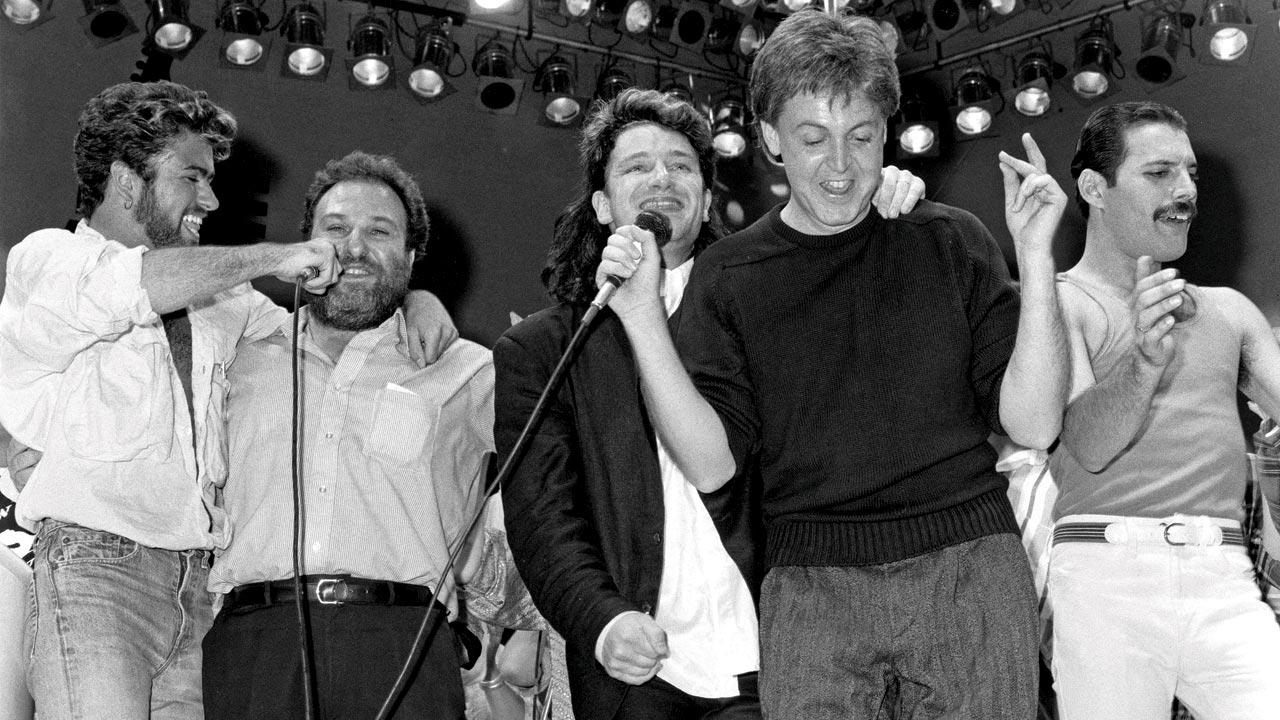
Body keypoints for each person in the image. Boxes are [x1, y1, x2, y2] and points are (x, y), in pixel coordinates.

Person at [594, 11, 1069, 719]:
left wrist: (1034, 256)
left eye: (862, 137)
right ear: (770, 138)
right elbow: (711, 466)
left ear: (888, 131)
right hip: (809, 587)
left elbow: (1034, 423)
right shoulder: (729, 275)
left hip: (970, 563)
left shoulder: (949, 239)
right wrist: (640, 317)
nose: (841, 167)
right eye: (813, 139)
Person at [0, 81, 453, 720]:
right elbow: (134, 285)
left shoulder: (224, 300)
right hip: (96, 571)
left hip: (200, 593)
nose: (211, 199)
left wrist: (414, 297)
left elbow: (322, 327)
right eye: (192, 177)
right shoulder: (50, 259)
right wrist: (273, 256)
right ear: (127, 181)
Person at [493, 87, 924, 720]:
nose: (662, 178)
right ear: (602, 204)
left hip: (789, 650)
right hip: (639, 668)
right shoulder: (543, 351)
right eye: (637, 166)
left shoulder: (768, 304)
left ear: (705, 195)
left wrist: (879, 214)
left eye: (681, 165)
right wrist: (602, 621)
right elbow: (542, 517)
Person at [201, 151, 493, 720]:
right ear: (305, 247)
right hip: (254, 646)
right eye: (335, 229)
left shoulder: (466, 369)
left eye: (379, 232)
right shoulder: (237, 352)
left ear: (410, 256)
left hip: (404, 646)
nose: (354, 247)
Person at [1047, 100, 1280, 719]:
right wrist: (1144, 362)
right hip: (1106, 577)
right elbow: (1087, 446)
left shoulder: (1229, 310)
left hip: (1224, 576)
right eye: (1159, 173)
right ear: (1094, 188)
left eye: (1190, 173)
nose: (1186, 191)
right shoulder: (1059, 305)